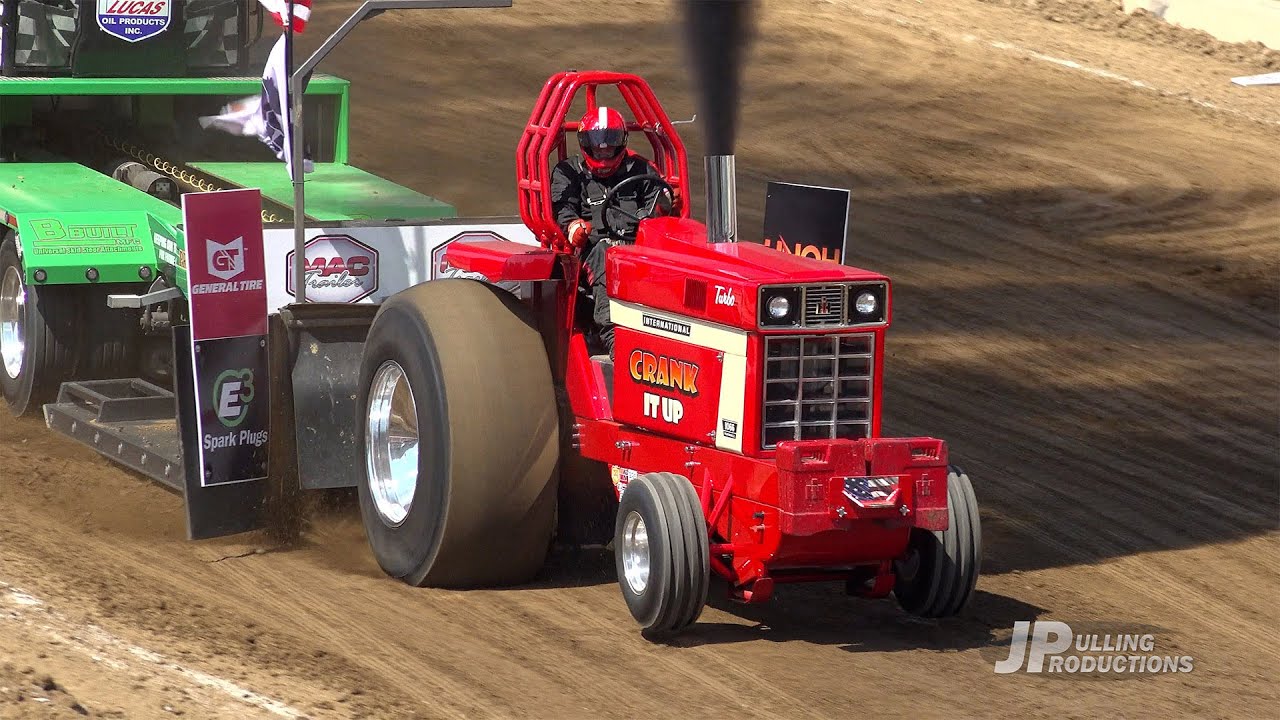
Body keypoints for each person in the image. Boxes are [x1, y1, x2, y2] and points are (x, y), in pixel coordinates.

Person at [551, 106, 672, 357]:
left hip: (640, 246)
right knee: (607, 253)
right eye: (597, 144)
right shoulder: (569, 172)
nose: (604, 149)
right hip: (592, 250)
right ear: (585, 144)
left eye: (610, 143)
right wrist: (574, 227)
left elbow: (659, 202)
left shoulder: (641, 169)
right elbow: (563, 209)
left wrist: (664, 206)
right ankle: (616, 342)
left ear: (622, 142)